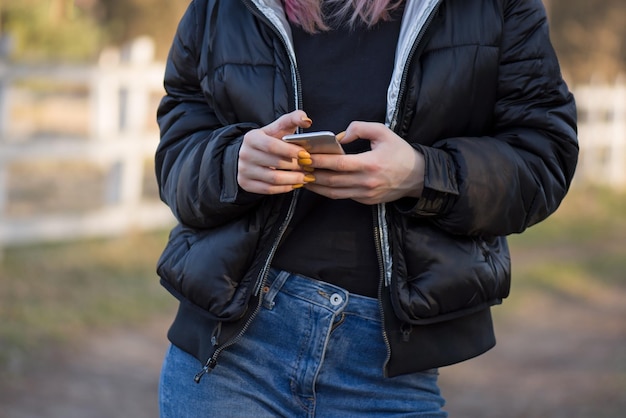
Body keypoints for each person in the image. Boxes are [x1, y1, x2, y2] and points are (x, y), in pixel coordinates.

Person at [155, 0, 578, 416]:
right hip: (233, 356)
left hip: (386, 371)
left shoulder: (498, 8)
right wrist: (232, 164)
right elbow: (176, 156)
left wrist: (422, 175)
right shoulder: (219, 7)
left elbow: (543, 159)